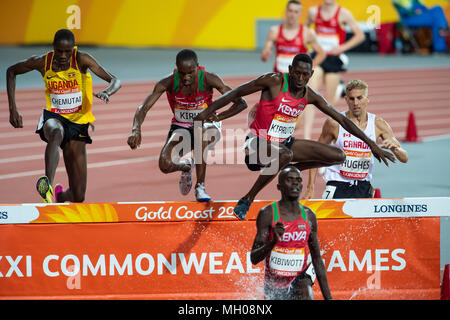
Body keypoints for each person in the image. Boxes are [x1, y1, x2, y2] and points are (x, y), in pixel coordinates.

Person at [194, 53, 395, 219]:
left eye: (304, 75)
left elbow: (343, 120)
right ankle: (247, 199)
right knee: (284, 154)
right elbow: (235, 93)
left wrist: (371, 144)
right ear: (290, 70)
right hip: (257, 144)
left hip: (284, 146)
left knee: (338, 156)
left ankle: (289, 169)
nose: (300, 79)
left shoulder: (310, 95)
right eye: (296, 73)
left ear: (311, 75)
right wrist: (205, 113)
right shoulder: (273, 81)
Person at [6, 29, 121, 203]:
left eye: (68, 51)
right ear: (53, 48)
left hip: (77, 123)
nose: (63, 55)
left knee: (78, 195)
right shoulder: (43, 62)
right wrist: (13, 109)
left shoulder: (82, 59)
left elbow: (115, 80)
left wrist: (107, 92)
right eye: (59, 51)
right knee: (56, 133)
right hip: (54, 117)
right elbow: (11, 71)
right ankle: (48, 187)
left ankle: (60, 196)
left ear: (73, 49)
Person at [127, 49, 246, 202]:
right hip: (181, 127)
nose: (186, 77)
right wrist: (136, 129)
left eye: (190, 72)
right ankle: (186, 166)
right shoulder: (168, 82)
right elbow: (143, 107)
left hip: (207, 127)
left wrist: (218, 116)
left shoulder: (210, 79)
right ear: (176, 68)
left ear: (198, 67)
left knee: (199, 130)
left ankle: (200, 186)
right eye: (182, 73)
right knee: (165, 164)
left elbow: (240, 103)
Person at [303, 79, 408, 200]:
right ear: (346, 100)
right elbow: (316, 154)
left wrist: (395, 149)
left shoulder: (378, 124)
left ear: (367, 99)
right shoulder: (334, 123)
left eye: (359, 98)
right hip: (337, 185)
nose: (356, 103)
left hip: (363, 187)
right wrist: (310, 188)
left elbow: (404, 158)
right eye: (352, 99)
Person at [250, 166, 332, 300]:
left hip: (300, 275)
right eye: (290, 180)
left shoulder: (309, 216)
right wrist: (273, 242)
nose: (295, 183)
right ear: (279, 186)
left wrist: (329, 298)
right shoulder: (267, 214)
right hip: (274, 283)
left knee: (305, 289)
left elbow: (317, 259)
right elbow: (254, 258)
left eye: (298, 180)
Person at [300, 0, 365, 140]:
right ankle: (306, 137)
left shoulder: (343, 14)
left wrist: (342, 48)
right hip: (317, 57)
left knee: (329, 102)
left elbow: (360, 35)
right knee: (310, 94)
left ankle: (338, 89)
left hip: (333, 60)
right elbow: (303, 32)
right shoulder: (313, 12)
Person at [260, 0, 326, 73]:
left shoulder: (307, 33)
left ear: (300, 14)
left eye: (296, 12)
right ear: (286, 12)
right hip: (279, 77)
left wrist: (309, 67)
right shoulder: (274, 31)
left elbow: (321, 54)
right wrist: (265, 55)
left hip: (298, 79)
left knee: (317, 71)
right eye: (290, 11)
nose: (292, 14)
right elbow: (263, 58)